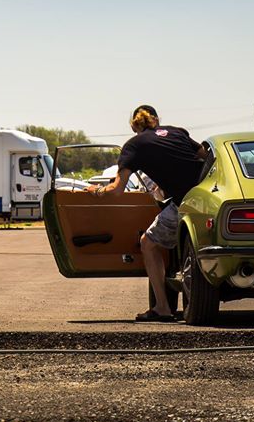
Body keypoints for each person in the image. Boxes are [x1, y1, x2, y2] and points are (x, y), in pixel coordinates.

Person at [86, 105, 206, 322]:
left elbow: (117, 189)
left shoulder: (133, 146)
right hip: (207, 196)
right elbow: (206, 157)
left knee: (148, 243)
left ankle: (162, 307)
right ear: (157, 120)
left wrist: (97, 191)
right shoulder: (178, 132)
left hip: (185, 203)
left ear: (134, 126)